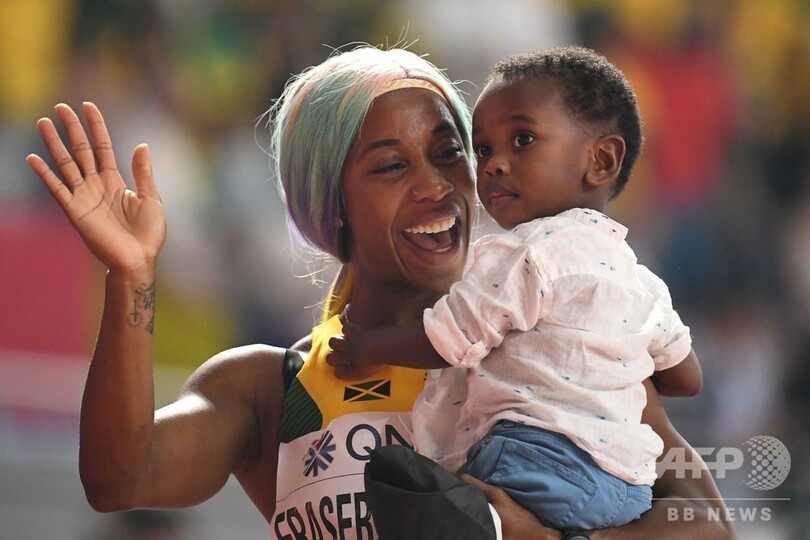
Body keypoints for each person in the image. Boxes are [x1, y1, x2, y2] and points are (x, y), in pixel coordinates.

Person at [25, 45, 733, 539]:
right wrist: (131, 274)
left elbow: (706, 522)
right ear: (329, 206)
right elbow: (119, 478)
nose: (438, 184)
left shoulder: (561, 339)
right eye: (391, 165)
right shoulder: (272, 388)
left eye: (452, 152)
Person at [327, 45, 703, 532]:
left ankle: (488, 522)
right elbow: (687, 379)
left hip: (537, 467)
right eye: (481, 150)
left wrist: (366, 346)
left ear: (602, 160)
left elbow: (452, 340)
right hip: (628, 490)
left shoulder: (526, 253)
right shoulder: (641, 280)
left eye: (522, 140)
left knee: (429, 492)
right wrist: (616, 365)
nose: (493, 165)